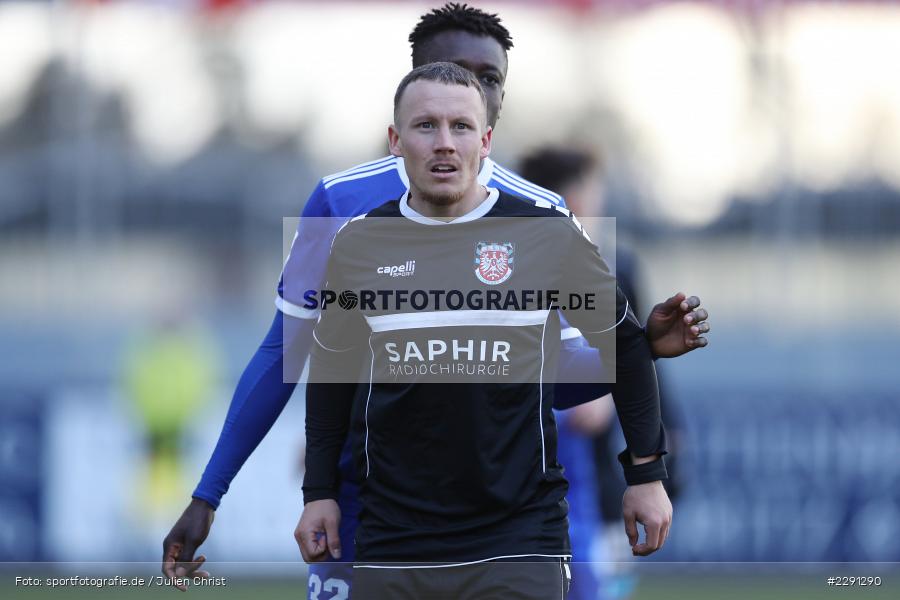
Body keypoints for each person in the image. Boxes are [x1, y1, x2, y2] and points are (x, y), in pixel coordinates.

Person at [161, 3, 710, 595]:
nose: (473, 88)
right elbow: (284, 355)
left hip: (504, 517)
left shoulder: (543, 216)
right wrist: (209, 494)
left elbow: (546, 380)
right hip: (365, 507)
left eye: (491, 79)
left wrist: (634, 348)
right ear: (415, 85)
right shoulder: (341, 204)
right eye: (455, 71)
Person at [298, 61, 675, 598]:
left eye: (461, 127)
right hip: (395, 537)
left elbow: (626, 344)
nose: (444, 143)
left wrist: (646, 474)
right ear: (395, 141)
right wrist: (319, 492)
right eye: (425, 126)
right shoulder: (359, 243)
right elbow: (331, 374)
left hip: (519, 537)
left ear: (487, 140)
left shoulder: (544, 231)